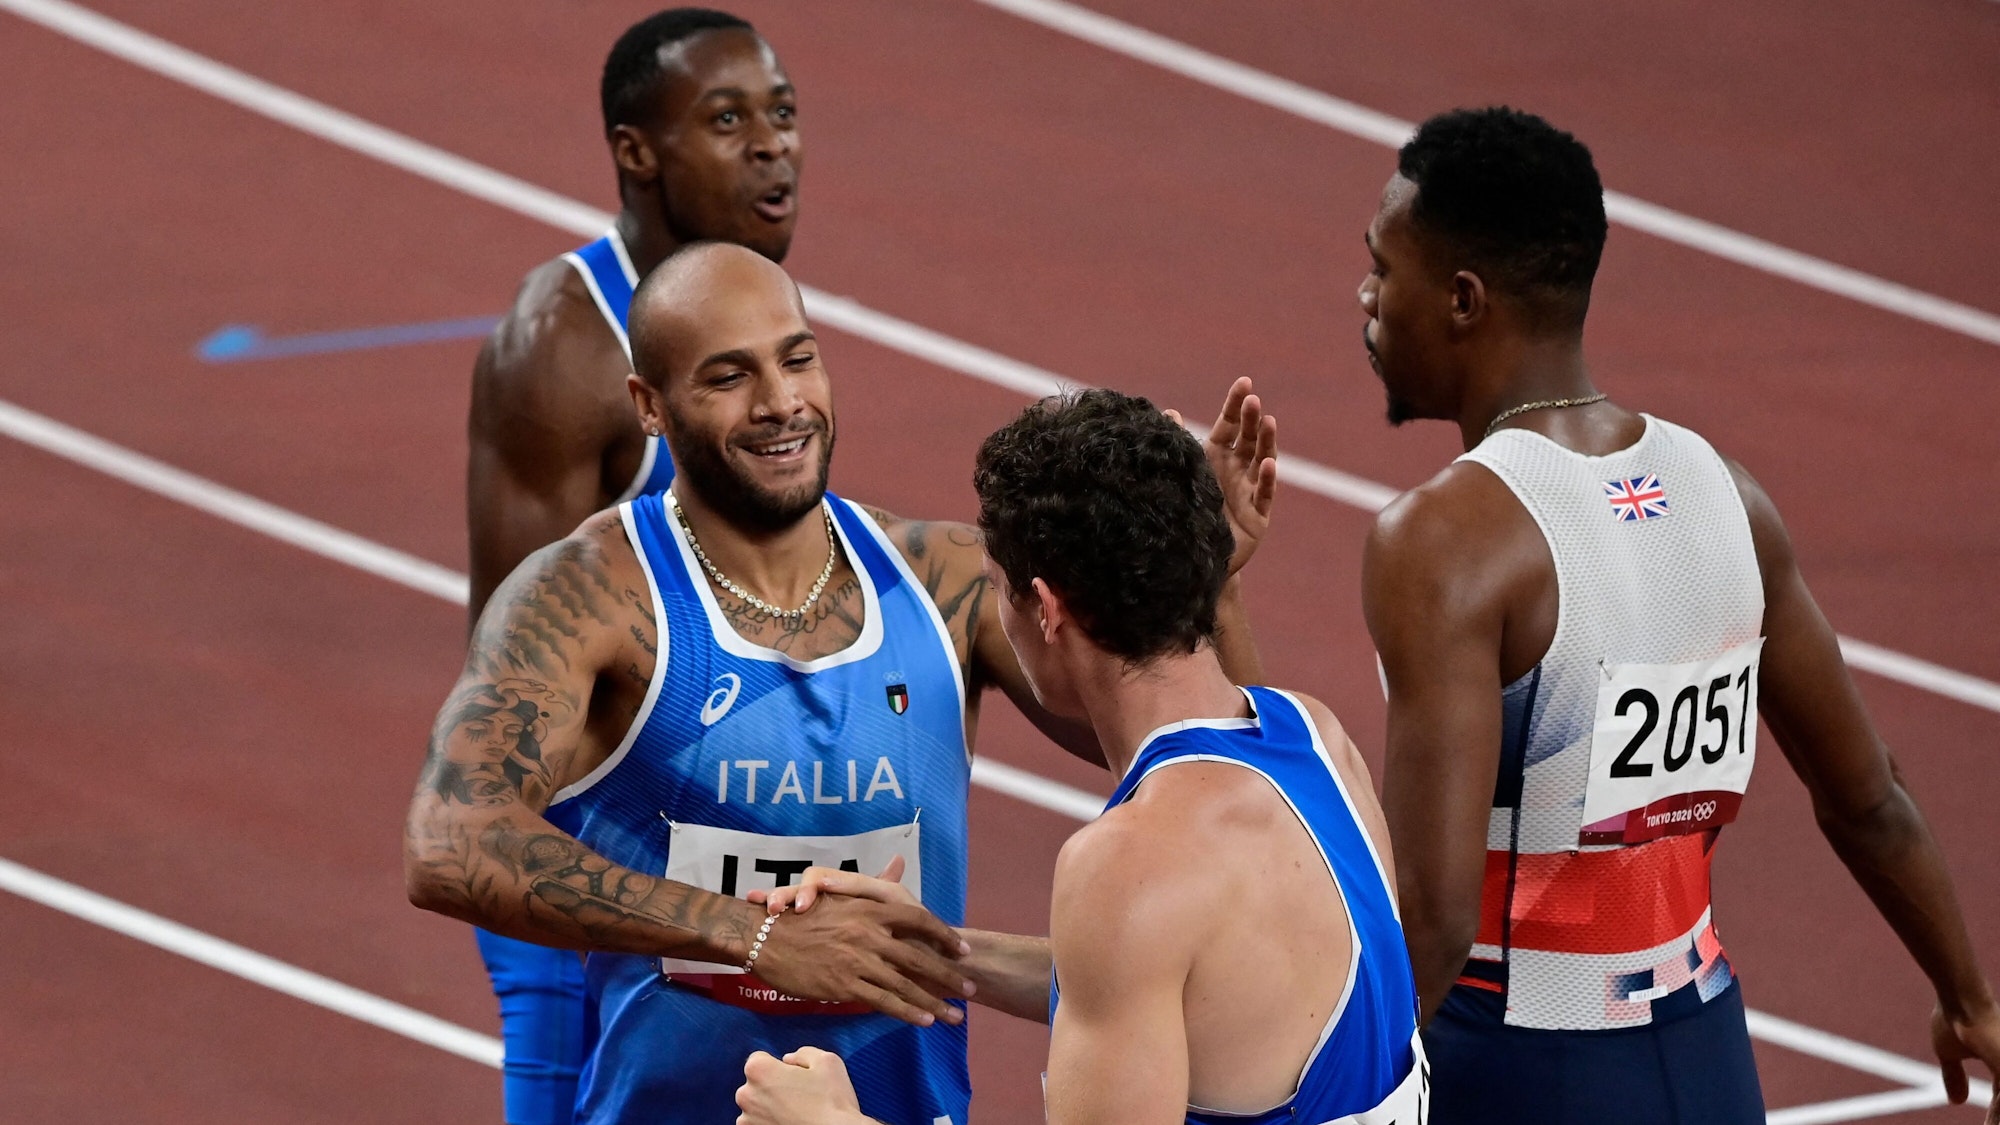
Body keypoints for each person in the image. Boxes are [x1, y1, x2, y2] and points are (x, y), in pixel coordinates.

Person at [405, 243, 1277, 1125]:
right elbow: (449, 840)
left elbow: (1209, 779)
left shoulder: (946, 580)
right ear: (650, 407)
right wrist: (754, 936)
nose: (781, 401)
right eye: (728, 377)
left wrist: (1207, 576)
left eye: (798, 357)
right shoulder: (588, 596)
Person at [1355, 106, 2000, 1123]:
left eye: (1383, 270)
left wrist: (1331, 1096)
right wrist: (1966, 997)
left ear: (1463, 299)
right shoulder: (1722, 494)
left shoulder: (1443, 541)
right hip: (1699, 1054)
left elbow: (1432, 922)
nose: (1367, 299)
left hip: (1510, 1068)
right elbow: (1868, 797)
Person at [732, 389, 1427, 1125]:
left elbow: (1142, 938)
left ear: (1047, 607)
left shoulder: (1130, 865)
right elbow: (1191, 982)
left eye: (996, 589)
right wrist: (944, 953)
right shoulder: (1317, 738)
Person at [461, 11, 803, 1121]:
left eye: (780, 114)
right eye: (725, 119)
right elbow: (517, 677)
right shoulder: (565, 347)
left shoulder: (739, 319)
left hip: (707, 853)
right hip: (582, 875)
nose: (770, 145)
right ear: (636, 152)